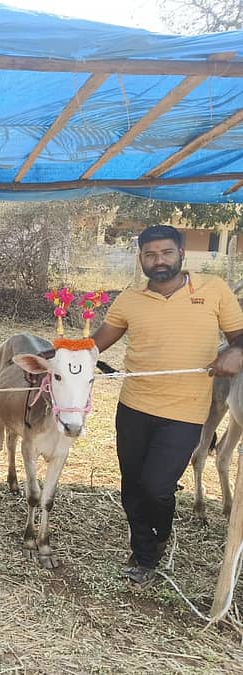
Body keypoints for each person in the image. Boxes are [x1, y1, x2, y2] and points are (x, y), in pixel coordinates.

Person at [93, 224, 243, 585]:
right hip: (133, 406)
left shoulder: (214, 290)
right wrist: (58, 355)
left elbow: (240, 337)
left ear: (180, 254)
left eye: (166, 253)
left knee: (157, 486)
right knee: (131, 486)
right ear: (141, 258)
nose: (158, 260)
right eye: (150, 254)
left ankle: (156, 542)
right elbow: (96, 344)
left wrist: (236, 353)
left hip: (185, 411)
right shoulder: (130, 298)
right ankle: (144, 553)